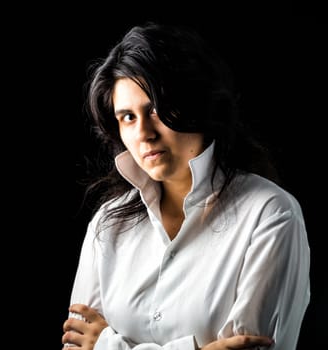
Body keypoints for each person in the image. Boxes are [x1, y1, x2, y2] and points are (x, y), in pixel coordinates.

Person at [62, 21, 310, 350]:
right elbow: (77, 345)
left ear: (197, 103)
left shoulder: (270, 214)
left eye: (156, 109)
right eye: (128, 117)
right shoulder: (108, 224)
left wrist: (108, 344)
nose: (144, 133)